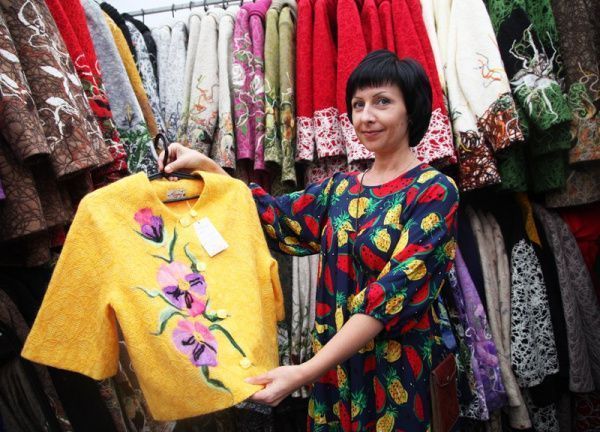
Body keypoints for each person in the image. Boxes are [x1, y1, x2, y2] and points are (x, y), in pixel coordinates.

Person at [159, 49, 459, 431]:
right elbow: (270, 216)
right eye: (358, 104)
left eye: (382, 102)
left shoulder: (434, 191)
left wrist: (304, 371)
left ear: (411, 111)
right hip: (335, 375)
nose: (366, 116)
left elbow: (389, 297)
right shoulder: (340, 189)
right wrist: (206, 166)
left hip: (396, 375)